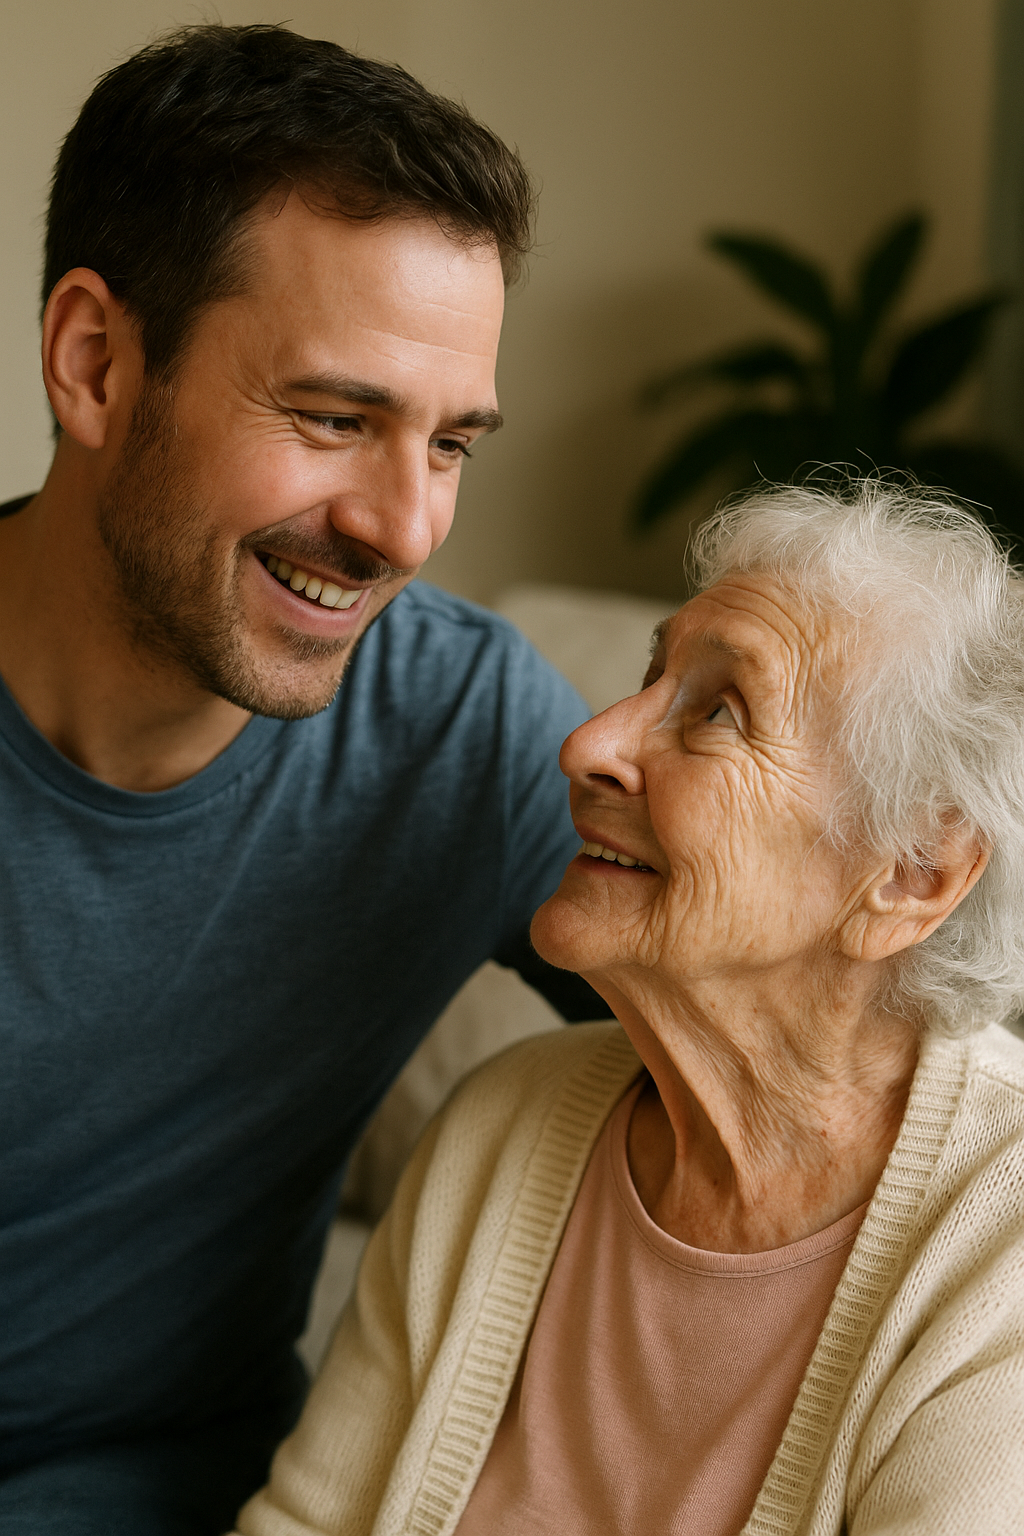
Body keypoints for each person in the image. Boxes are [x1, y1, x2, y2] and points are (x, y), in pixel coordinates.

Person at [0, 23, 609, 1535]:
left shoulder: (458, 727)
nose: (405, 528)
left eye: (451, 442)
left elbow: (816, 1055)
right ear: (96, 364)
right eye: (334, 419)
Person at [238, 480, 1024, 1536]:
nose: (590, 743)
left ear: (914, 873)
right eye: (650, 678)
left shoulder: (998, 1247)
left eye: (718, 713)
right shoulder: (501, 1128)